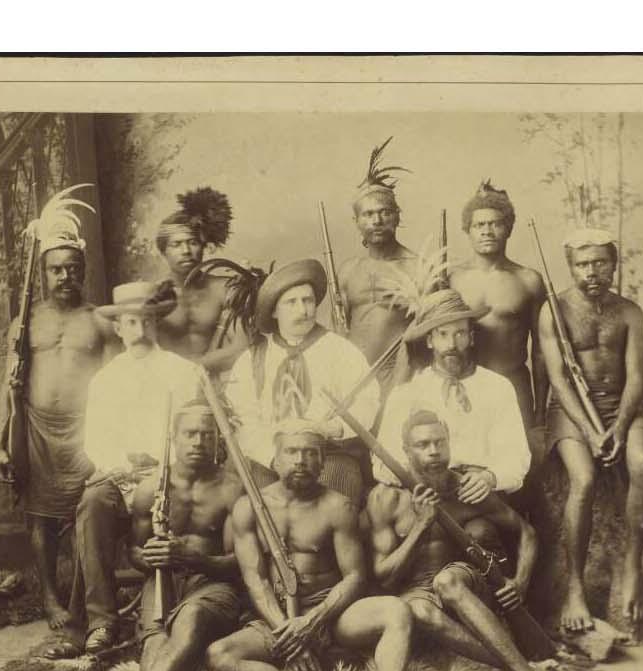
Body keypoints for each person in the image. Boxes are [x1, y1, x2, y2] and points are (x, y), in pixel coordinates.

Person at [205, 422, 414, 671]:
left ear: (322, 463)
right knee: (220, 655)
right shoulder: (249, 507)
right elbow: (255, 579)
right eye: (291, 452)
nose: (300, 460)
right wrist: (288, 634)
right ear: (274, 459)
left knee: (396, 611)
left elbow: (355, 577)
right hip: (278, 620)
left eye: (310, 453)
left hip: (331, 614)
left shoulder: (338, 507)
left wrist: (313, 621)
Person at [365, 410, 572, 671]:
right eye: (422, 445)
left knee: (447, 581)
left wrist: (520, 582)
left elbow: (527, 533)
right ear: (406, 452)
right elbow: (383, 577)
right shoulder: (386, 498)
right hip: (417, 595)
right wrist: (421, 526)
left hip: (462, 582)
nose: (434, 451)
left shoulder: (466, 488)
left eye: (439, 442)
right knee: (419, 611)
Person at [0, 189, 113, 651]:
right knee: (40, 519)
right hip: (37, 429)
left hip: (86, 430)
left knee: (89, 515)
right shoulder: (26, 322)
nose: (65, 276)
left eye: (73, 269)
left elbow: (117, 381)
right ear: (43, 273)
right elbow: (8, 383)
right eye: (56, 269)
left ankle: (88, 604)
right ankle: (49, 597)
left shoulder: (99, 321)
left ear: (83, 271)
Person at [58, 282, 202, 659]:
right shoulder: (105, 380)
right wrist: (122, 467)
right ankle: (101, 621)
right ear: (118, 328)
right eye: (130, 323)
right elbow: (96, 442)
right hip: (121, 478)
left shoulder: (183, 372)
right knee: (92, 503)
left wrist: (162, 465)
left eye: (147, 322)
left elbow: (196, 432)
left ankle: (174, 614)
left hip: (172, 477)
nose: (139, 331)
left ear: (157, 324)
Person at [536, 229, 643, 632]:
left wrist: (620, 428)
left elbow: (637, 378)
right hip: (570, 412)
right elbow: (558, 379)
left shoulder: (630, 312)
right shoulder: (552, 311)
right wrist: (589, 432)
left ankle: (634, 570)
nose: (592, 271)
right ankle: (575, 588)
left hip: (619, 406)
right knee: (584, 480)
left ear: (613, 263)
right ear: (570, 267)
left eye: (600, 262)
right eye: (583, 264)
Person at [119, 403, 245, 671]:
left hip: (213, 584)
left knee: (189, 619)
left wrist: (191, 557)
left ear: (218, 439)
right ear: (174, 437)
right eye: (190, 433)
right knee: (154, 647)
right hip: (162, 582)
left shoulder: (232, 489)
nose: (199, 441)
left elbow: (240, 563)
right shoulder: (151, 488)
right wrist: (152, 558)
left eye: (207, 434)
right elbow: (133, 551)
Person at [224, 259, 379, 504]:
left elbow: (367, 402)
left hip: (329, 456)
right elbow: (243, 420)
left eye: (307, 301)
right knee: (261, 509)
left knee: (332, 506)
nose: (302, 310)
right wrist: (273, 458)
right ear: (274, 311)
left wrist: (331, 429)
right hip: (270, 459)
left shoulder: (341, 350)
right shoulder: (252, 359)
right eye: (291, 302)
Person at [372, 289, 531, 504]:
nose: (451, 345)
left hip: (478, 496)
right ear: (429, 341)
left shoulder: (497, 387)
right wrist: (419, 478)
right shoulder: (408, 392)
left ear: (471, 337)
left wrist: (490, 478)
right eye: (442, 334)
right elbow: (383, 462)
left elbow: (516, 456)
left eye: (460, 334)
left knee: (481, 532)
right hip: (424, 495)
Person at [446, 180, 550, 430]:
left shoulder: (529, 280)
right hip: (466, 386)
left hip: (514, 385)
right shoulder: (452, 280)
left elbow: (541, 350)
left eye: (496, 224)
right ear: (468, 230)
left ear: (509, 228)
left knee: (521, 463)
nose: (487, 231)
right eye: (479, 225)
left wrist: (540, 410)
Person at [333, 138, 420, 400]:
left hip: (402, 379)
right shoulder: (348, 270)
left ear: (397, 216)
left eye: (384, 212)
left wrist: (401, 381)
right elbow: (340, 328)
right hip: (354, 380)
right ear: (356, 221)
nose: (377, 221)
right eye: (368, 215)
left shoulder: (418, 267)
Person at [153, 187, 250, 373]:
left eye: (193, 242)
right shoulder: (153, 295)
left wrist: (195, 368)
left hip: (221, 380)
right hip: (169, 384)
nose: (186, 251)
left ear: (204, 246)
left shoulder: (225, 288)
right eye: (176, 244)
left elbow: (241, 346)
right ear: (163, 251)